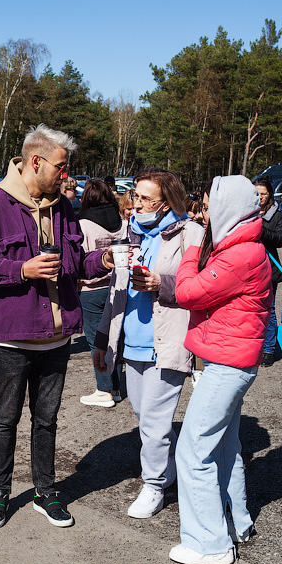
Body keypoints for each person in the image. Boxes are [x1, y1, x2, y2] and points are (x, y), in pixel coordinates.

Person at [0, 124, 114, 531]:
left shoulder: (63, 207)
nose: (67, 175)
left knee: (47, 420)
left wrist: (103, 262)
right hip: (11, 338)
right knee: (5, 419)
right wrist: (20, 269)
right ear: (36, 161)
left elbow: (76, 264)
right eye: (62, 167)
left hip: (57, 338)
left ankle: (46, 492)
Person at [171, 175, 272, 564]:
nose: (205, 211)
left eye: (211, 205)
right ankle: (237, 523)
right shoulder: (242, 247)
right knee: (227, 447)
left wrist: (192, 246)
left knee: (193, 452)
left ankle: (209, 544)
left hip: (227, 366)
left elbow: (187, 294)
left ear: (228, 208)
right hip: (231, 362)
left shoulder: (238, 255)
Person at [93, 169, 204, 519]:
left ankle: (154, 485)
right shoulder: (128, 232)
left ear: (166, 201)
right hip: (130, 341)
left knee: (154, 423)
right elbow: (114, 292)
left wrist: (163, 283)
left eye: (144, 198)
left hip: (167, 340)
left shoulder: (191, 233)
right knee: (144, 416)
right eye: (134, 196)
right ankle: (169, 467)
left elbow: (202, 286)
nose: (134, 203)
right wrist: (102, 340)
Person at [77, 179, 127, 408]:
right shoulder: (122, 222)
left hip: (91, 288)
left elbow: (81, 257)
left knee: (95, 340)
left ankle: (104, 389)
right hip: (117, 285)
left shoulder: (83, 224)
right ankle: (115, 387)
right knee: (115, 336)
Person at [254, 178, 282, 367]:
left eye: (264, 194)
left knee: (269, 310)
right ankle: (253, 347)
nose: (260, 197)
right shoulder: (245, 212)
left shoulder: (277, 214)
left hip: (268, 269)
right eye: (257, 193)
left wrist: (262, 231)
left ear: (270, 195)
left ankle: (268, 349)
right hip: (246, 269)